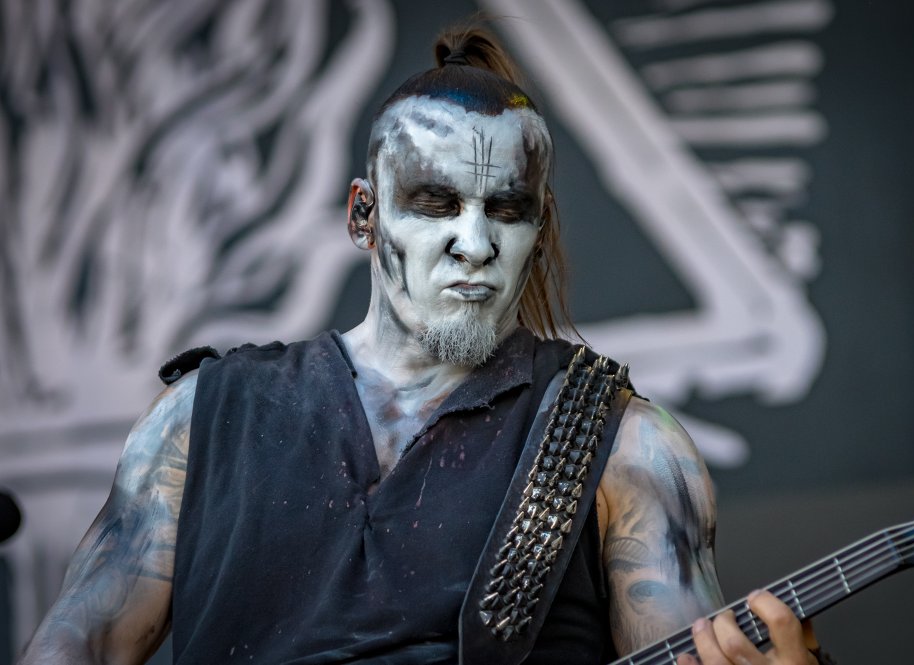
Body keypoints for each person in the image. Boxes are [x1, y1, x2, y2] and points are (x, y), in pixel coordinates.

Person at [19, 25, 830, 665]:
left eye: (506, 210)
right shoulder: (203, 419)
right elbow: (77, 641)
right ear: (364, 215)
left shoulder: (623, 444)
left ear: (539, 227)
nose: (474, 244)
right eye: (435, 203)